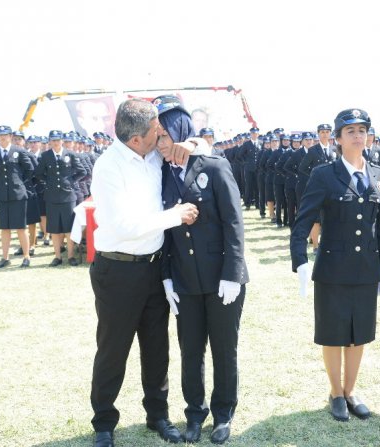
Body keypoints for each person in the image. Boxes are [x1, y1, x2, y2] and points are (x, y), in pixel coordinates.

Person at [88, 99, 198, 447]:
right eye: (155, 131)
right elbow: (124, 226)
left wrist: (192, 143)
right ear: (136, 138)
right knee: (113, 349)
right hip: (118, 269)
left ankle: (158, 416)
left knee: (156, 348)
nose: (160, 135)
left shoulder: (152, 155)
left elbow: (203, 145)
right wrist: (175, 215)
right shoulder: (108, 167)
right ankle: (104, 422)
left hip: (153, 269)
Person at [156, 102, 248, 445]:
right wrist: (166, 277)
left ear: (181, 133)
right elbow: (164, 231)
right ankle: (195, 413)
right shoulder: (161, 173)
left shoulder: (213, 164)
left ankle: (223, 414)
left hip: (221, 277)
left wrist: (233, 273)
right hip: (184, 278)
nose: (160, 144)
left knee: (225, 349)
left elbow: (234, 222)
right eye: (156, 137)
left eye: (164, 136)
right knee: (190, 350)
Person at [290, 108, 380, 422]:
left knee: (359, 333)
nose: (358, 136)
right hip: (332, 268)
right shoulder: (324, 174)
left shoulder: (377, 174)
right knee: (333, 333)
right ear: (338, 138)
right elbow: (303, 220)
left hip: (365, 268)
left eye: (363, 130)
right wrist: (300, 261)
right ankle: (335, 392)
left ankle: (350, 391)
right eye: (351, 131)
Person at [34, 130, 87, 266]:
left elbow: (83, 171)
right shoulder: (45, 155)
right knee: (54, 229)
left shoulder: (70, 154)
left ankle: (70, 256)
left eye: (58, 140)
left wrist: (70, 181)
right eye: (53, 140)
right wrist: (49, 183)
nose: (56, 143)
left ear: (62, 141)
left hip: (68, 197)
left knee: (69, 228)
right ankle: (57, 257)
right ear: (50, 141)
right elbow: (38, 173)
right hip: (52, 197)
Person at [0, 125, 34, 268]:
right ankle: (5, 257)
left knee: (20, 227)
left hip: (18, 195)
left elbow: (29, 170)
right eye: (0, 135)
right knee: (5, 228)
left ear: (10, 136)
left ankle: (26, 256)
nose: (2, 137)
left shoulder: (19, 151)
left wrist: (19, 183)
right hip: (2, 195)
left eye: (5, 135)